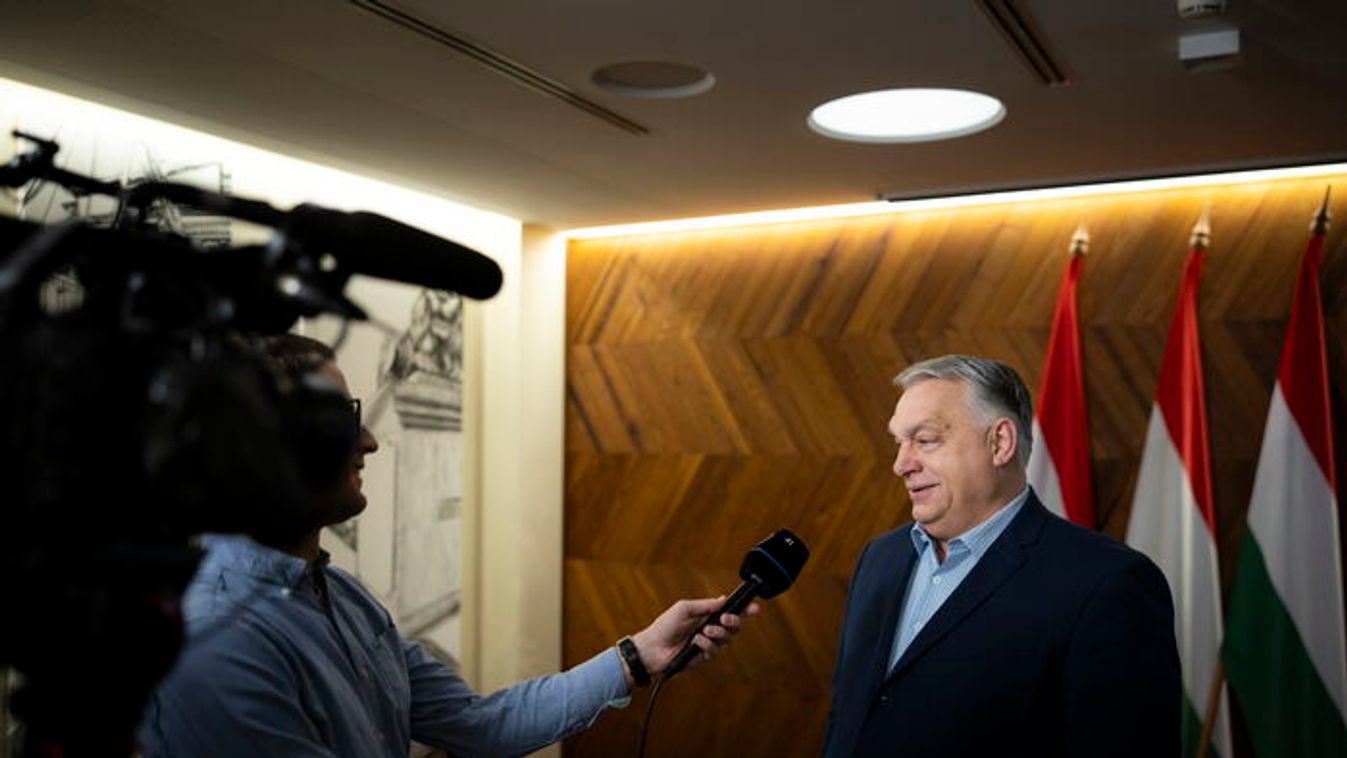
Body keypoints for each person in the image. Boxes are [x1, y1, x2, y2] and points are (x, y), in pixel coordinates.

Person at [139, 333, 755, 758]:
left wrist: (638, 654)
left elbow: (480, 724)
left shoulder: (344, 598)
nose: (370, 441)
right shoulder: (212, 639)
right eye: (341, 421)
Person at [823, 355, 1179, 758]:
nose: (901, 464)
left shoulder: (1107, 583)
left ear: (1000, 443)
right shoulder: (880, 557)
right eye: (899, 443)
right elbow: (847, 719)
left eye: (925, 440)